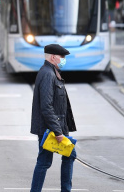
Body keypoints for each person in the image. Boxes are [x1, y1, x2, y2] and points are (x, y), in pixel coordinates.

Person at [30, 44, 77, 192]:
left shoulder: (52, 72)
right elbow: (46, 106)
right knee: (45, 161)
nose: (63, 59)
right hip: (50, 129)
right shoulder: (48, 74)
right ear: (53, 57)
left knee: (67, 156)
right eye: (62, 57)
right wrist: (57, 131)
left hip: (57, 126)